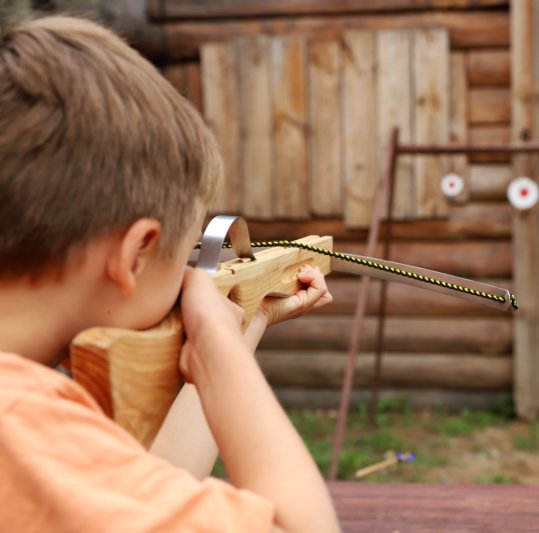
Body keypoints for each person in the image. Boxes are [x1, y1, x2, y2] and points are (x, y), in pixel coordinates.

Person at [0, 15, 339, 532]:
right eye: (187, 255)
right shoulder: (22, 424)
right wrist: (226, 362)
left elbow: (134, 498)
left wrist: (240, 330)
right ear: (136, 254)